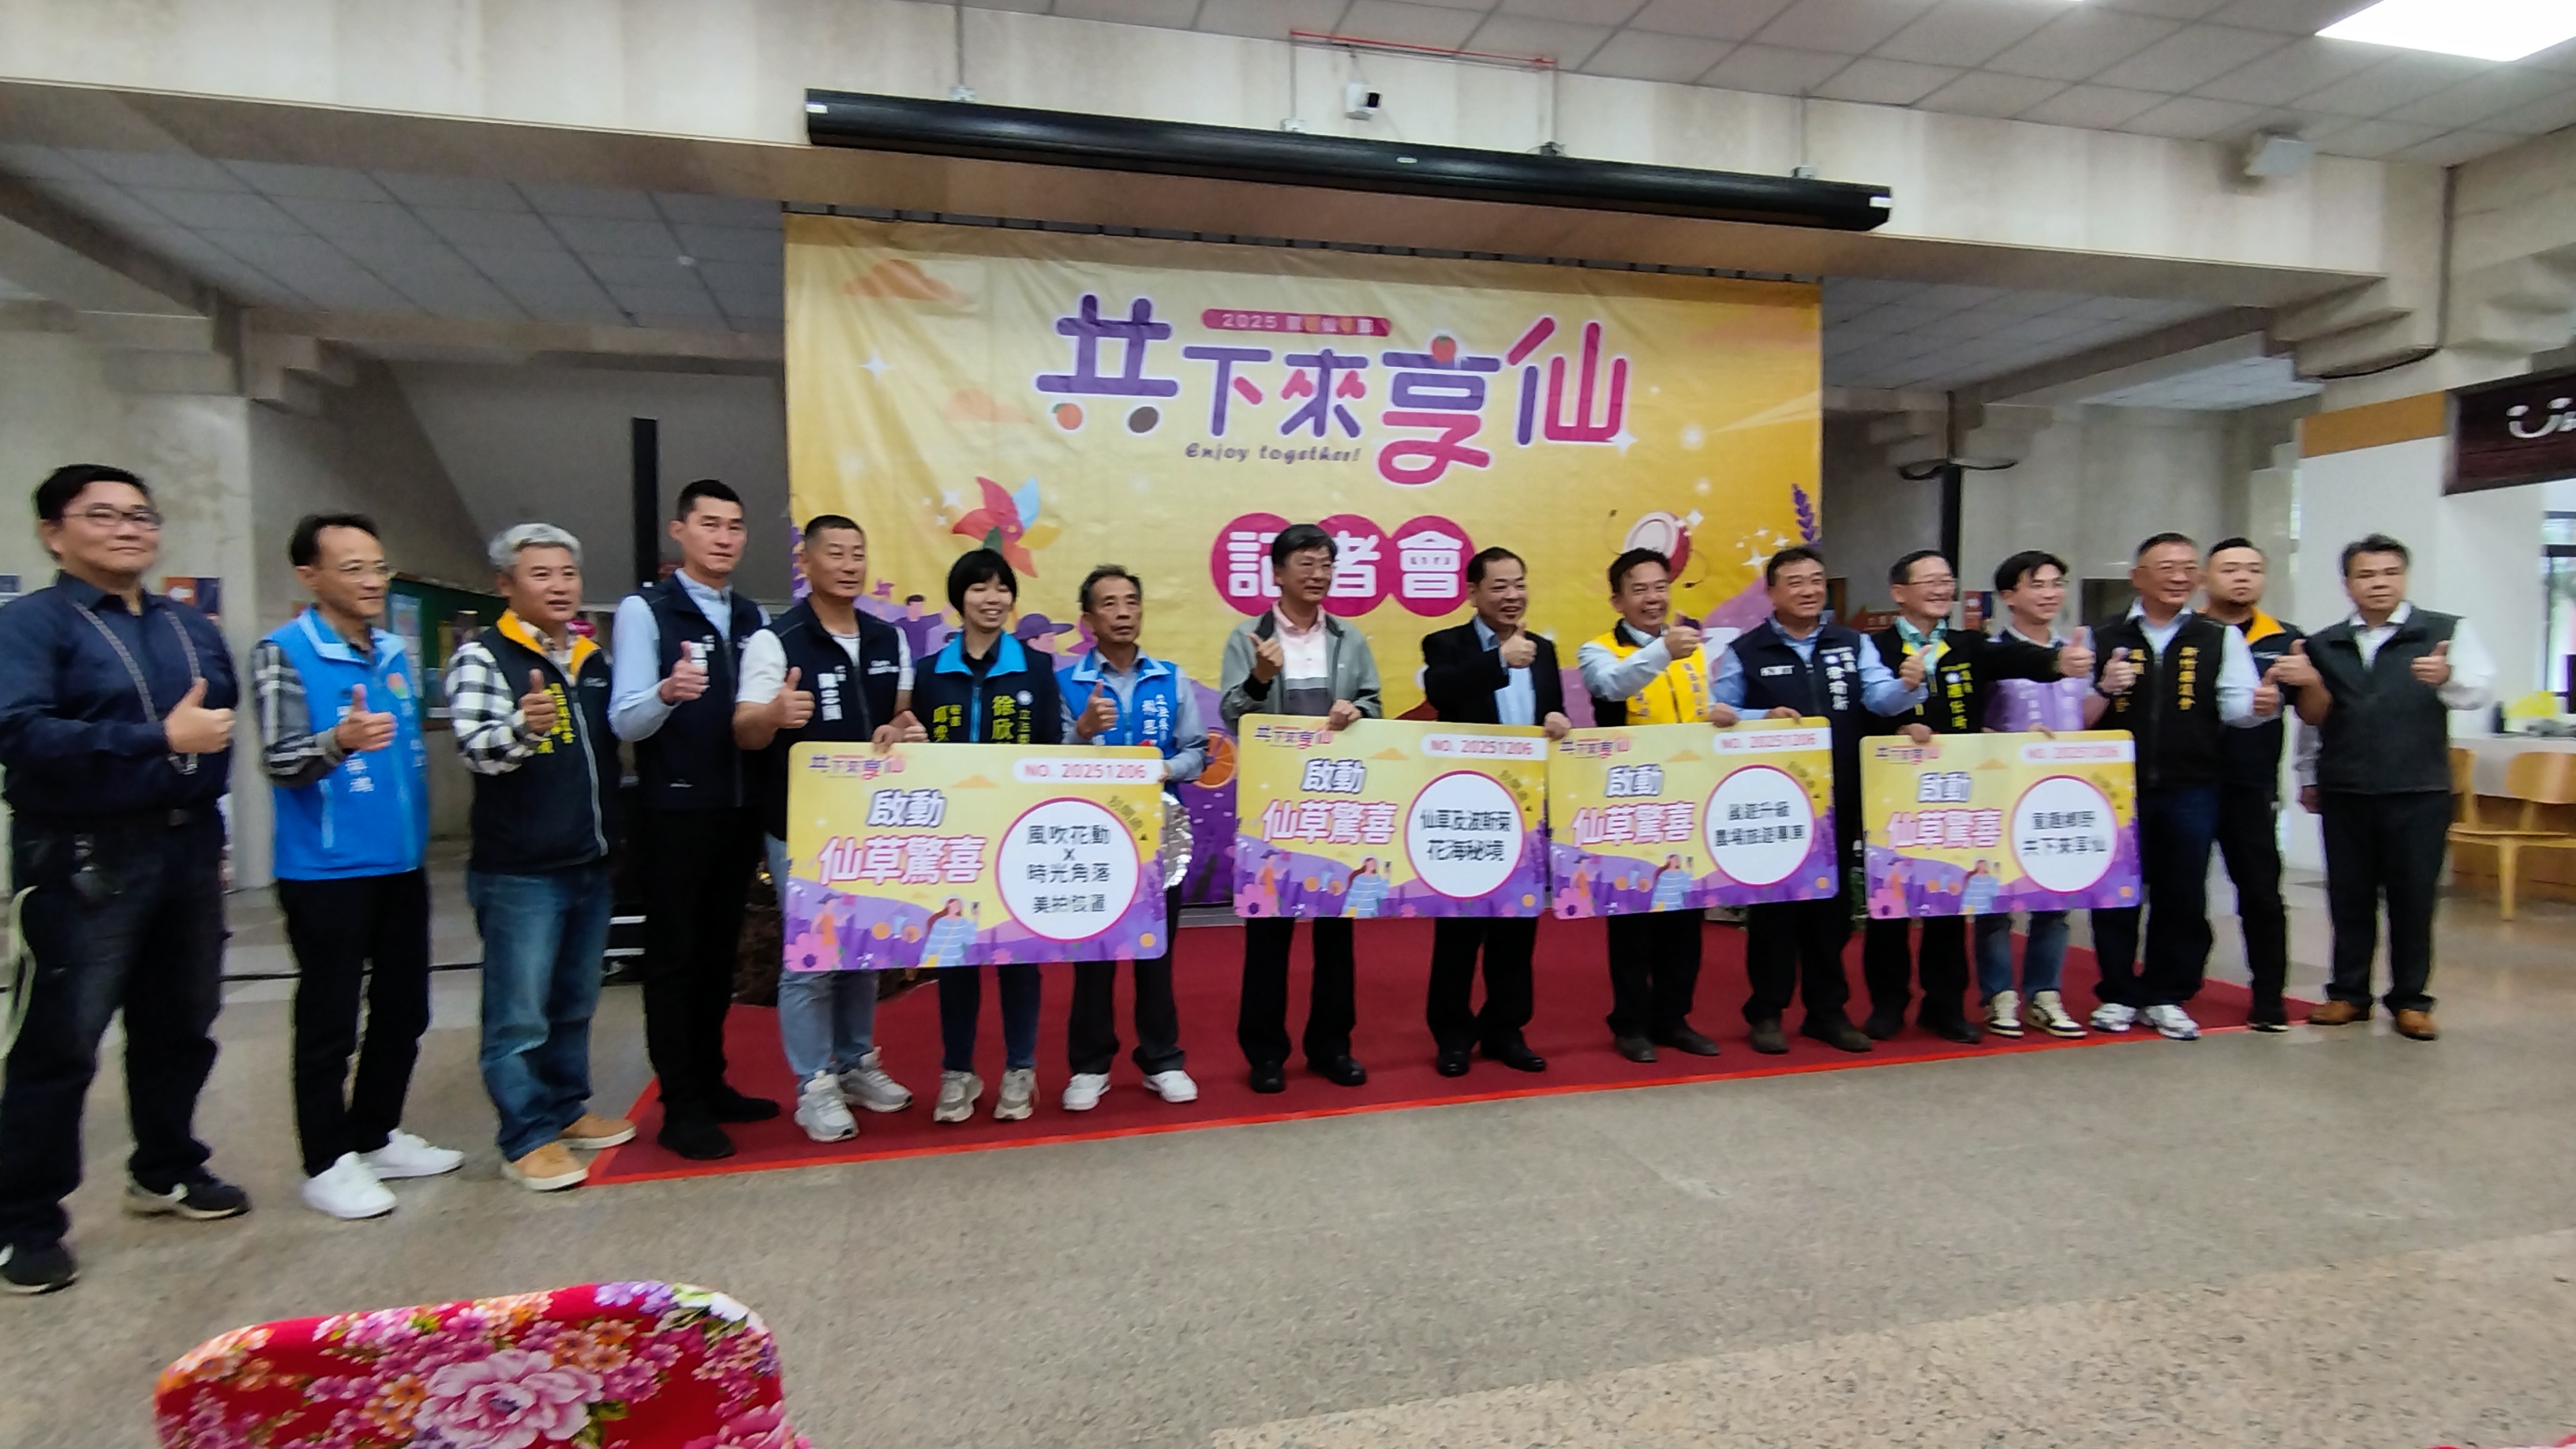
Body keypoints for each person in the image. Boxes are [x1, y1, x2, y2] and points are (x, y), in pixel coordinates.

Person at [0, 465, 246, 1295]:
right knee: (60, 1043)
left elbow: (217, 728)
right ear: (53, 532)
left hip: (187, 845)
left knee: (182, 1024)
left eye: (141, 515)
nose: (128, 529)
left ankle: (165, 1168)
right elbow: (18, 734)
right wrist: (156, 739)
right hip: (82, 855)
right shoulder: (31, 624)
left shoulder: (188, 625)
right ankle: (25, 1220)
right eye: (102, 515)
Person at [256, 513, 462, 1221]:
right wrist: (339, 740)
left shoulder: (392, 651)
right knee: (330, 1019)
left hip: (399, 861)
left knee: (405, 1008)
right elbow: (280, 760)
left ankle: (375, 1134)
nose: (373, 581)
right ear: (309, 576)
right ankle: (325, 1161)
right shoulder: (283, 651)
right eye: (353, 569)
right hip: (326, 869)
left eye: (378, 567)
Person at [447, 523, 635, 1193]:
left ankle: (565, 1109)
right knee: (518, 1013)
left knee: (574, 1000)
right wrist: (523, 727)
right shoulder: (482, 657)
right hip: (519, 870)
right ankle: (524, 1137)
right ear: (506, 584)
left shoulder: (590, 656)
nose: (560, 587)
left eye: (568, 574)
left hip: (589, 861)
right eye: (542, 574)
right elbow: (476, 749)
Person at [732, 515, 922, 1144]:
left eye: (857, 554)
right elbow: (745, 731)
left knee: (863, 949)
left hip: (871, 825)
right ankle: (814, 1083)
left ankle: (856, 1062)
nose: (848, 564)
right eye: (834, 553)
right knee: (812, 960)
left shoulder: (888, 638)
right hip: (802, 826)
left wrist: (905, 731)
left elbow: (902, 718)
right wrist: (773, 714)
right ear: (805, 563)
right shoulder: (775, 641)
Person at [1859, 550, 2090, 1044]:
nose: (1942, 588)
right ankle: (1888, 1004)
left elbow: (2016, 658)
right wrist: (1895, 727)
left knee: (1949, 904)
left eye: (1947, 580)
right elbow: (1861, 709)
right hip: (1893, 790)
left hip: (1958, 792)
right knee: (1891, 905)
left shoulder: (1968, 644)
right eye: (1929, 581)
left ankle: (1943, 1006)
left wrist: (2056, 661)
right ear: (1899, 592)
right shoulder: (1874, 646)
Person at [610, 478, 777, 1162]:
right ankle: (679, 1106)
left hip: (737, 807)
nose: (724, 537)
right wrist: (667, 692)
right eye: (710, 524)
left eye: (735, 526)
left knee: (717, 957)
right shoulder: (646, 610)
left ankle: (711, 1083)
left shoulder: (752, 616)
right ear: (680, 531)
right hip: (675, 809)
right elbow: (624, 719)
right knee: (674, 959)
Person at [1709, 545, 1926, 1056]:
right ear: (1772, 592)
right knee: (1773, 913)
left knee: (1831, 911)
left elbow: (1879, 698)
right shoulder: (1746, 650)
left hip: (1840, 795)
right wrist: (1759, 718)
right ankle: (1766, 1012)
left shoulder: (1851, 643)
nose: (1809, 590)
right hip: (1772, 803)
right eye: (1796, 582)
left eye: (1816, 580)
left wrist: (1907, 687)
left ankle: (1827, 1012)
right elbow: (1719, 713)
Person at [2291, 534, 2493, 1042]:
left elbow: (2478, 692)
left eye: (2389, 573)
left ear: (2404, 578)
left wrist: (2446, 676)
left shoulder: (2444, 631)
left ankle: (2411, 1000)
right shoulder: (2325, 643)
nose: (2379, 583)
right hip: (2346, 788)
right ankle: (2348, 994)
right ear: (2347, 584)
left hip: (2418, 789)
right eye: (2366, 575)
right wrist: (2308, 776)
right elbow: (2313, 721)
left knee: (2413, 899)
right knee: (2349, 897)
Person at [2087, 532, 2277, 1041]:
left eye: (2188, 568)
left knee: (2183, 892)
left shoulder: (2217, 637)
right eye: (2166, 567)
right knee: (2116, 893)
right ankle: (2119, 992)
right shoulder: (2102, 635)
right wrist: (2104, 686)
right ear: (2137, 576)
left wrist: (2261, 707)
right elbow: (2077, 711)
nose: (2179, 577)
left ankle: (2167, 993)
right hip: (2115, 787)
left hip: (2192, 784)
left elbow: (2236, 708)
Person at [1219, 523, 1383, 1094]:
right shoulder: (1248, 637)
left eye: (1326, 564)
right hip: (1274, 805)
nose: (1319, 575)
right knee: (1270, 933)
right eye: (1306, 564)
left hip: (1336, 802)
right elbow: (1233, 715)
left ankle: (1332, 1047)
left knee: (1337, 933)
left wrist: (1358, 712)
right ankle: (1266, 1054)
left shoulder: (1348, 637)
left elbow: (1374, 703)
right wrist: (1260, 678)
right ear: (1278, 573)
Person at [914, 548, 1064, 1122]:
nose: (992, 598)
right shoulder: (929, 672)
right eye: (979, 588)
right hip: (951, 838)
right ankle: (957, 1071)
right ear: (960, 598)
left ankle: (1020, 1069)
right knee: (954, 956)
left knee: (1017, 956)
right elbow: (911, 749)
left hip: (1015, 833)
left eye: (1002, 587)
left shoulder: (1036, 669)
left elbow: (1050, 751)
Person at [1059, 564, 1208, 1111]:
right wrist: (1082, 733)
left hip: (1159, 834)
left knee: (1156, 952)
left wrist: (1167, 768)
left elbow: (1198, 750)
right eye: (1109, 604)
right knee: (1093, 954)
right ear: (1087, 619)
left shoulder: (1170, 678)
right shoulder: (1067, 683)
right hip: (1089, 839)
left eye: (1131, 602)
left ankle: (1162, 1058)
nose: (1122, 613)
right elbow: (1046, 760)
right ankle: (1089, 1064)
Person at [1419, 545, 1570, 1076]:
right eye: (1500, 586)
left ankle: (1507, 1028)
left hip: (1525, 811)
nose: (1512, 596)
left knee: (1517, 929)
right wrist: (1500, 660)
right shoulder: (1446, 643)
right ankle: (1453, 1035)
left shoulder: (1544, 650)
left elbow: (1552, 711)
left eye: (1519, 584)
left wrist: (1556, 720)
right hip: (1468, 809)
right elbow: (1441, 690)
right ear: (1473, 593)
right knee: (1460, 931)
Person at [1574, 548, 1726, 1062]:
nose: (1653, 598)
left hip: (1688, 800)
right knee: (1633, 921)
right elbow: (1610, 686)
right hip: (1631, 806)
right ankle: (1631, 1023)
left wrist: (1730, 715)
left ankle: (1674, 1018)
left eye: (1660, 587)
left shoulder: (1695, 651)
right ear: (1617, 600)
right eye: (1639, 589)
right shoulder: (1598, 650)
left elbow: (1704, 711)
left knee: (1684, 920)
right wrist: (1663, 649)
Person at [1974, 550, 2101, 1040]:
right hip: (2002, 789)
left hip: (2063, 790)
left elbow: (2083, 719)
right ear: (2009, 596)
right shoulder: (1990, 653)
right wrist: (2012, 740)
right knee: (1995, 899)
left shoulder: (2077, 650)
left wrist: (2107, 688)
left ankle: (2045, 994)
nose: (2050, 594)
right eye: (2037, 585)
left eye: (2056, 584)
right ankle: (1999, 994)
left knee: (2055, 898)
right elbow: (1974, 725)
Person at [2196, 537, 2305, 1032]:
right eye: (2231, 569)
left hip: (2252, 785)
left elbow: (2315, 713)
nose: (2243, 577)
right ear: (2205, 578)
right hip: (2188, 782)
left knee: (2261, 893)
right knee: (2182, 892)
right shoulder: (2185, 633)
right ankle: (2178, 982)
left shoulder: (2287, 639)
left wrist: (2311, 680)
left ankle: (2268, 996)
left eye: (2253, 569)